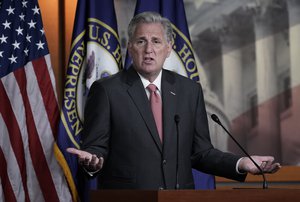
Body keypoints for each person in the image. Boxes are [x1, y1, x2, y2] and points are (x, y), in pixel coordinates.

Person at [67, 11, 280, 189]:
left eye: (156, 42)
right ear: (130, 47)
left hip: (179, 197)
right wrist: (93, 162)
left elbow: (201, 153)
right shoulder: (106, 90)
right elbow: (95, 148)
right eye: (141, 41)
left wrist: (243, 163)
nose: (149, 49)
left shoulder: (189, 91)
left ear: (168, 48)